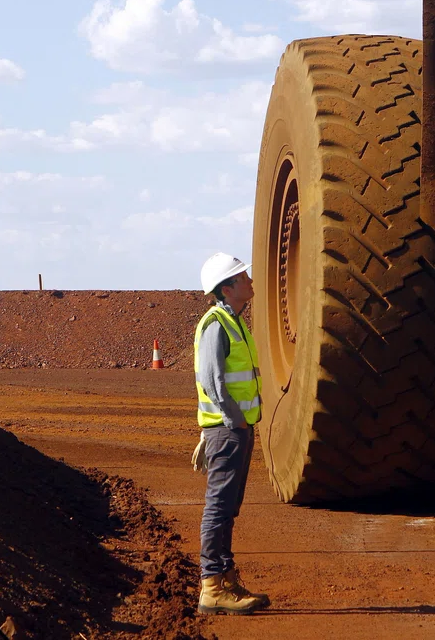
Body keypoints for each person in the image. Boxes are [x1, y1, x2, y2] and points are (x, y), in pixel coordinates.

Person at [193, 251, 270, 615]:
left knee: (228, 509)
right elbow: (212, 380)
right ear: (228, 287)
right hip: (229, 430)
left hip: (236, 429)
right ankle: (211, 586)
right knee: (218, 509)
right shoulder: (216, 324)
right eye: (244, 277)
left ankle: (225, 578)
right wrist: (230, 420)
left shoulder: (234, 320)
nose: (250, 282)